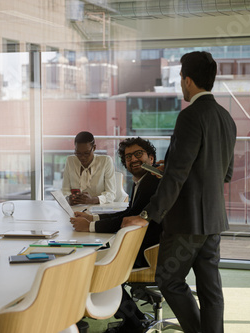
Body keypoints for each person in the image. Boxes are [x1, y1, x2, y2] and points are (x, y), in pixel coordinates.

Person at [122, 51, 237, 333]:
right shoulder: (226, 118)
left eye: (180, 79)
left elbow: (177, 176)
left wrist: (148, 214)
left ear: (187, 80)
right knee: (211, 290)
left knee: (169, 280)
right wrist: (171, 166)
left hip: (187, 221)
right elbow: (225, 173)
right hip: (213, 220)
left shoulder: (190, 117)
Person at [71, 137, 162, 333]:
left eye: (139, 154)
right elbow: (128, 213)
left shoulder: (151, 183)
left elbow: (130, 217)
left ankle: (134, 324)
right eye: (128, 157)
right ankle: (136, 319)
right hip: (143, 247)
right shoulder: (142, 181)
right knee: (100, 258)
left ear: (151, 158)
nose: (133, 159)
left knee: (99, 268)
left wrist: (91, 227)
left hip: (149, 254)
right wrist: (93, 217)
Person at [62, 131, 116, 205]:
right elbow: (65, 190)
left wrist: (94, 200)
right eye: (78, 153)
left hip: (98, 209)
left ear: (94, 148)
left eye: (86, 153)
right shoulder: (70, 161)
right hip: (76, 209)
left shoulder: (105, 161)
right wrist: (68, 199)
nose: (82, 157)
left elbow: (111, 194)